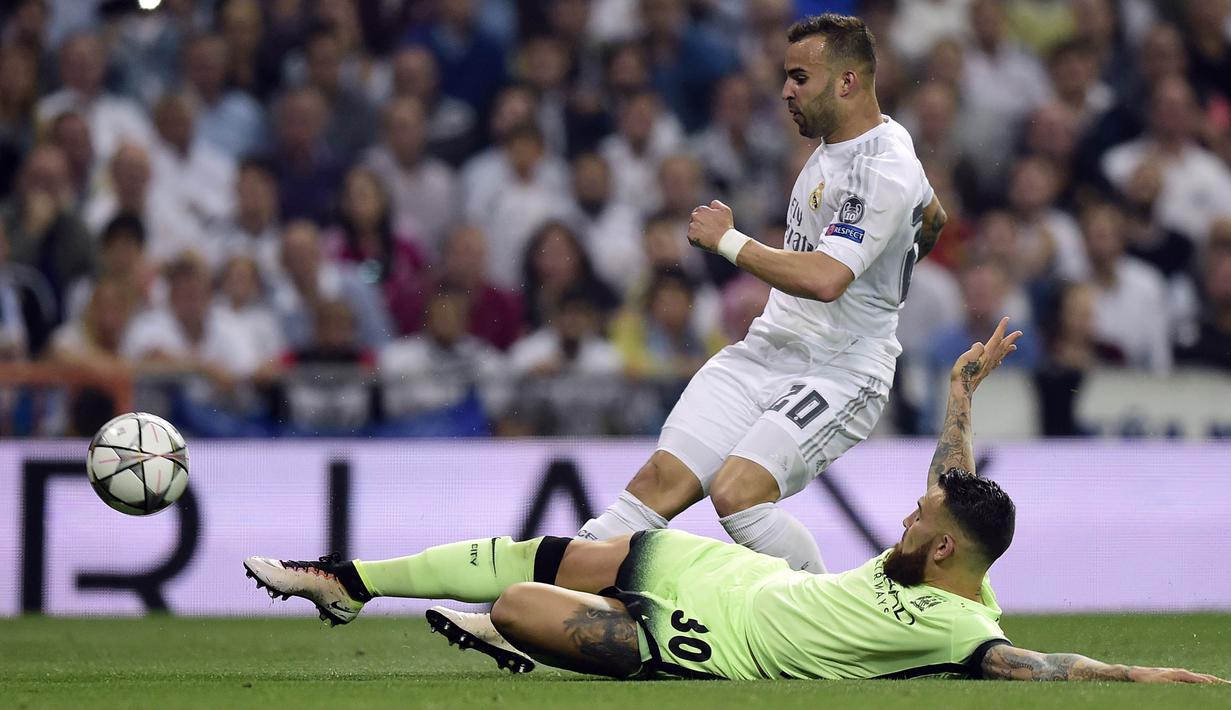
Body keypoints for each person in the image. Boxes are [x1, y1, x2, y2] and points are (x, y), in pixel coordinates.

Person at [244, 318, 1225, 684]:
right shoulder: (938, 544)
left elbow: (1049, 664)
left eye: (920, 521)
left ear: (942, 556)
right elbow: (950, 473)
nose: (907, 513)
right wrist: (962, 393)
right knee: (532, 551)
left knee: (512, 605)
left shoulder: (953, 629)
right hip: (724, 573)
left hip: (711, 648)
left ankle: (539, 638)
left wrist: (1159, 679)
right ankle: (348, 580)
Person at [579, 14, 948, 574]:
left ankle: (829, 627)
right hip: (766, 351)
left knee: (738, 494)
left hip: (840, 368)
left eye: (800, 77)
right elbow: (934, 215)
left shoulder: (885, 166)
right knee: (658, 482)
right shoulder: (855, 148)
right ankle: (525, 603)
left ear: (847, 82)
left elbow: (827, 279)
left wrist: (728, 241)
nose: (785, 91)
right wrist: (904, 249)